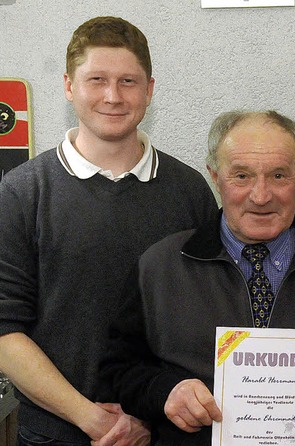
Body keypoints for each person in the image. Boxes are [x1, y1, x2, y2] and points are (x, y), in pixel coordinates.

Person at [100, 110, 295, 446]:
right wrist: (165, 392)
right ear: (215, 176)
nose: (261, 196)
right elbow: (118, 369)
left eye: (279, 176)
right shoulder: (159, 267)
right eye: (241, 176)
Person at [0, 16, 217, 446]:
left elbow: (210, 316)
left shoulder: (191, 192)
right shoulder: (22, 192)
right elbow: (6, 333)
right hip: (53, 434)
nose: (113, 96)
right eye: (96, 79)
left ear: (150, 89)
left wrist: (153, 407)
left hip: (167, 431)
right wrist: (96, 422)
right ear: (68, 86)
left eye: (128, 82)